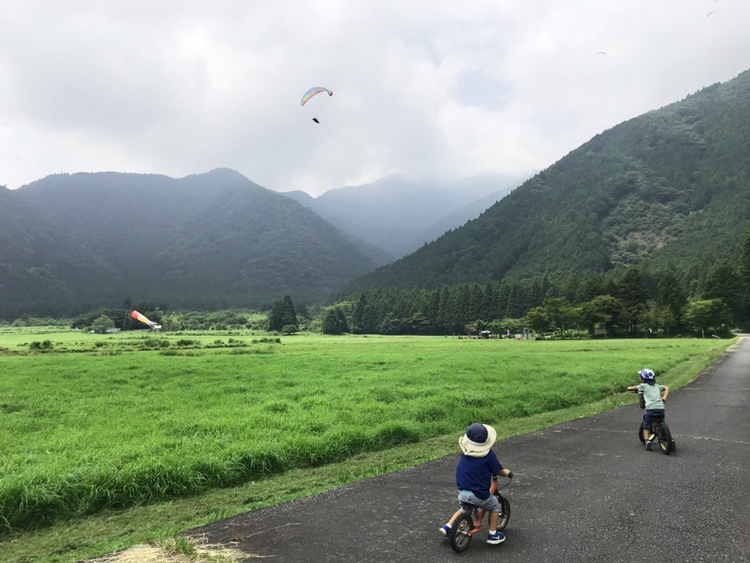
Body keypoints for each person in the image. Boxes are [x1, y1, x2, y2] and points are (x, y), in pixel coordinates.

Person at [439, 423, 513, 545]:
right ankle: (493, 535)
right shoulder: (488, 455)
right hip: (479, 495)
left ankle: (448, 527)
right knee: (495, 506)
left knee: (464, 509)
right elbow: (499, 471)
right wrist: (507, 473)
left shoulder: (465, 453)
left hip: (463, 491)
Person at [627, 368, 670, 451]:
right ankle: (666, 437)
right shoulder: (657, 386)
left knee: (646, 425)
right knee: (661, 422)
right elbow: (667, 388)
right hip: (661, 407)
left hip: (651, 409)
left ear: (643, 379)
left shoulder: (643, 386)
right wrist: (664, 398)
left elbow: (630, 388)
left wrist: (630, 388)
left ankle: (647, 440)